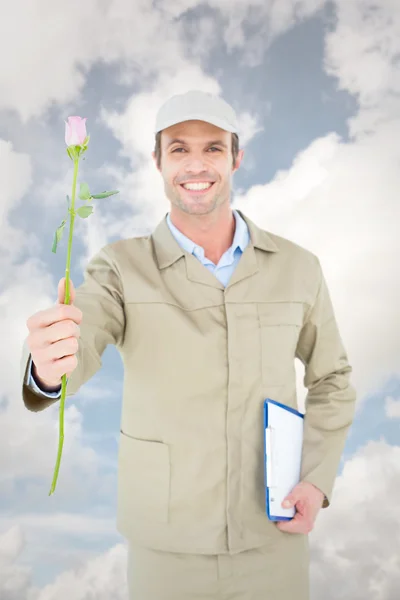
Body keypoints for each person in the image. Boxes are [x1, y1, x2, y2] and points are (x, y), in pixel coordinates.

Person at [20, 89, 357, 599]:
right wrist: (48, 367)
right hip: (166, 544)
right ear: (157, 162)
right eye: (178, 148)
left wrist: (315, 480)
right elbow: (82, 336)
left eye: (213, 148)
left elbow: (332, 378)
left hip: (274, 536)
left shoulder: (298, 267)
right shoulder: (119, 268)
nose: (196, 164)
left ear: (236, 158)